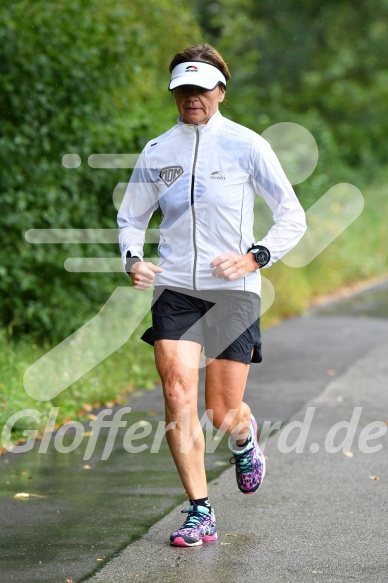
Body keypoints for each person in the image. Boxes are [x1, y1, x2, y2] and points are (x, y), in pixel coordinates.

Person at [118, 44, 306, 547]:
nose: (192, 98)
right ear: (174, 94)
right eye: (183, 90)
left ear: (221, 91)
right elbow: (132, 217)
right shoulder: (158, 151)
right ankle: (200, 511)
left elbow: (293, 216)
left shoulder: (247, 146)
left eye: (201, 89)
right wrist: (133, 259)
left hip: (233, 291)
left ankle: (245, 439)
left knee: (223, 412)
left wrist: (256, 257)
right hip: (176, 286)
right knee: (176, 391)